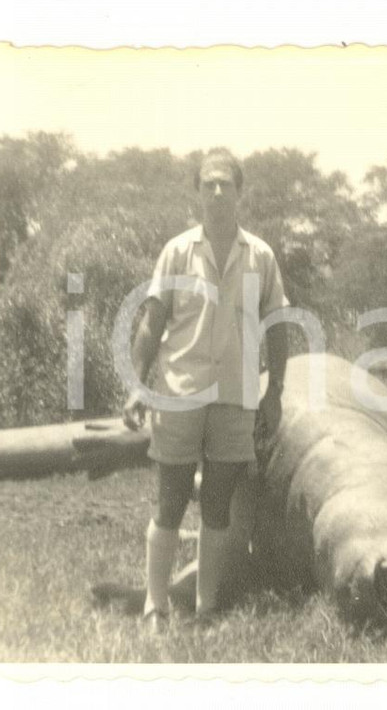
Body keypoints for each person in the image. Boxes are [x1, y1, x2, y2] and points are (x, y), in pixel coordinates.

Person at [122, 148, 289, 632]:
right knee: (170, 501)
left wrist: (274, 391)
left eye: (226, 184)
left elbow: (277, 326)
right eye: (208, 183)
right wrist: (137, 385)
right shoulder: (177, 251)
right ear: (197, 191)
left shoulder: (260, 255)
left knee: (217, 505)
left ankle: (206, 607)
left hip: (236, 396)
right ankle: (157, 606)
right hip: (179, 391)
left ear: (240, 192)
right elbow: (152, 324)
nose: (217, 191)